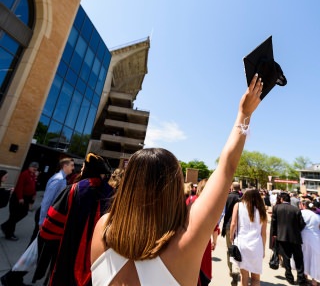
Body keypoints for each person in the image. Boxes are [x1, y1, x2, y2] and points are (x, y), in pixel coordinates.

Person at [90, 74, 263, 286]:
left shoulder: (103, 228)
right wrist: (244, 113)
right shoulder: (185, 241)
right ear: (173, 188)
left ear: (128, 185)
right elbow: (226, 168)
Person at [33, 152, 114, 286]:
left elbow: (50, 228)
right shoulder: (112, 194)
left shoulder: (72, 190)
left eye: (83, 166)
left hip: (67, 252)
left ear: (89, 169)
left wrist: (46, 253)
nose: (81, 169)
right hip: (98, 258)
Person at [0, 158, 75, 286]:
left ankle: (13, 277)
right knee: (36, 251)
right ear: (64, 165)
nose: (73, 168)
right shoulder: (58, 180)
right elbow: (47, 201)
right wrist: (42, 222)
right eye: (71, 165)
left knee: (35, 250)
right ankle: (11, 277)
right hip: (45, 219)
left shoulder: (61, 179)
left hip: (46, 219)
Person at [229, 189, 267, 286]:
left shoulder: (238, 205)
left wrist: (231, 237)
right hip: (256, 245)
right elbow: (263, 233)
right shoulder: (262, 209)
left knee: (244, 276)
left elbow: (233, 224)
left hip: (242, 242)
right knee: (256, 278)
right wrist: (263, 249)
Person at [272, 192, 308, 286]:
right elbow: (302, 224)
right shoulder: (296, 210)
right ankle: (301, 279)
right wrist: (296, 230)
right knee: (299, 259)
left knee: (286, 258)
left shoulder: (276, 208)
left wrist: (274, 234)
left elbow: (274, 223)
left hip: (282, 237)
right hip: (295, 237)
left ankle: (289, 277)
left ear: (281, 199)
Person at [1, 162, 39, 240]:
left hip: (27, 198)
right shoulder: (25, 174)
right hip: (18, 198)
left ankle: (5, 226)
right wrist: (20, 198)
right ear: (29, 167)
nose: (35, 169)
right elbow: (20, 186)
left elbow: (33, 186)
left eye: (36, 168)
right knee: (14, 215)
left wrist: (33, 194)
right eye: (33, 167)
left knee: (23, 213)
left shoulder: (33, 175)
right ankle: (9, 233)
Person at [221, 181, 242, 285]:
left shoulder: (227, 197)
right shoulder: (242, 198)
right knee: (239, 249)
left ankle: (231, 270)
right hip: (241, 227)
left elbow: (223, 213)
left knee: (230, 249)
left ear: (232, 187)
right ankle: (238, 270)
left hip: (229, 225)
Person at [300, 199, 320, 286]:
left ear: (303, 205)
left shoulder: (301, 213)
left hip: (303, 237)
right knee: (314, 259)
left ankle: (304, 277)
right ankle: (314, 281)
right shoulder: (316, 216)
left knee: (304, 257)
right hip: (315, 238)